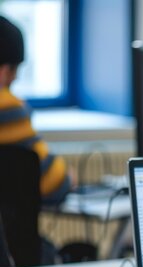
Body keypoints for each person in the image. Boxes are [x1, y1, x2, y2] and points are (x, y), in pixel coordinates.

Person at [0, 15, 71, 205]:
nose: (14, 81)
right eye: (15, 72)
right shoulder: (8, 107)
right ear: (6, 70)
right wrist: (69, 178)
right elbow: (54, 182)